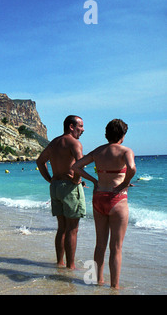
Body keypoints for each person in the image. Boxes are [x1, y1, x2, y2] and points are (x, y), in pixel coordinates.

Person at [72, 119, 136, 289]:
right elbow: (132, 168)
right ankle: (114, 286)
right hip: (118, 200)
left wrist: (94, 180)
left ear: (106, 134)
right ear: (122, 135)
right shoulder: (126, 151)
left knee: (100, 244)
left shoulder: (98, 151)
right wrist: (124, 184)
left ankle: (97, 280)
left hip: (99, 197)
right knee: (116, 247)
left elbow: (76, 166)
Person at [36, 115, 86, 269]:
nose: (83, 130)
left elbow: (40, 161)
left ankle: (60, 262)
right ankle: (70, 266)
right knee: (72, 228)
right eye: (80, 126)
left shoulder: (54, 143)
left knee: (62, 228)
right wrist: (77, 179)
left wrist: (50, 179)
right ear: (71, 126)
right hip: (69, 187)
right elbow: (80, 163)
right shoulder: (74, 143)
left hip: (56, 186)